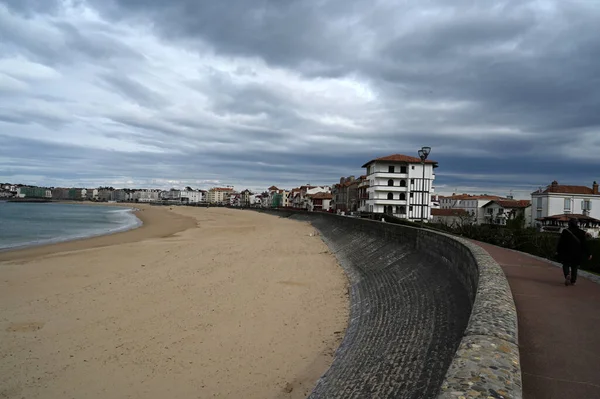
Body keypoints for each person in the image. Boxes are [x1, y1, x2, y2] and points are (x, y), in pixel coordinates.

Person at [556, 218, 592, 286]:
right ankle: (573, 281)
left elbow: (560, 242)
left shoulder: (565, 231)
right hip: (577, 253)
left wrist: (558, 251)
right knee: (574, 267)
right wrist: (589, 253)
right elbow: (584, 244)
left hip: (566, 252)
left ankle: (567, 275)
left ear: (569, 224)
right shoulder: (581, 232)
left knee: (566, 264)